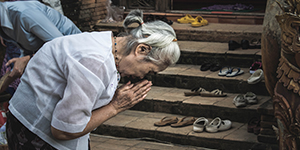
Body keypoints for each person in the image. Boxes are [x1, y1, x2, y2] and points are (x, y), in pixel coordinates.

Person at [6, 9, 180, 150]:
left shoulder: (104, 41)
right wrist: (115, 106)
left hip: (23, 118)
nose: (142, 77)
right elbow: (63, 130)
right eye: (149, 71)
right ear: (141, 49)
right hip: (35, 133)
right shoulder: (96, 63)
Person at [0, 1, 81, 93]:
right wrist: (11, 76)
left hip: (75, 55)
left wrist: (28, 59)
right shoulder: (4, 27)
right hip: (52, 58)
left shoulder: (24, 13)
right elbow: (27, 48)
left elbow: (60, 45)